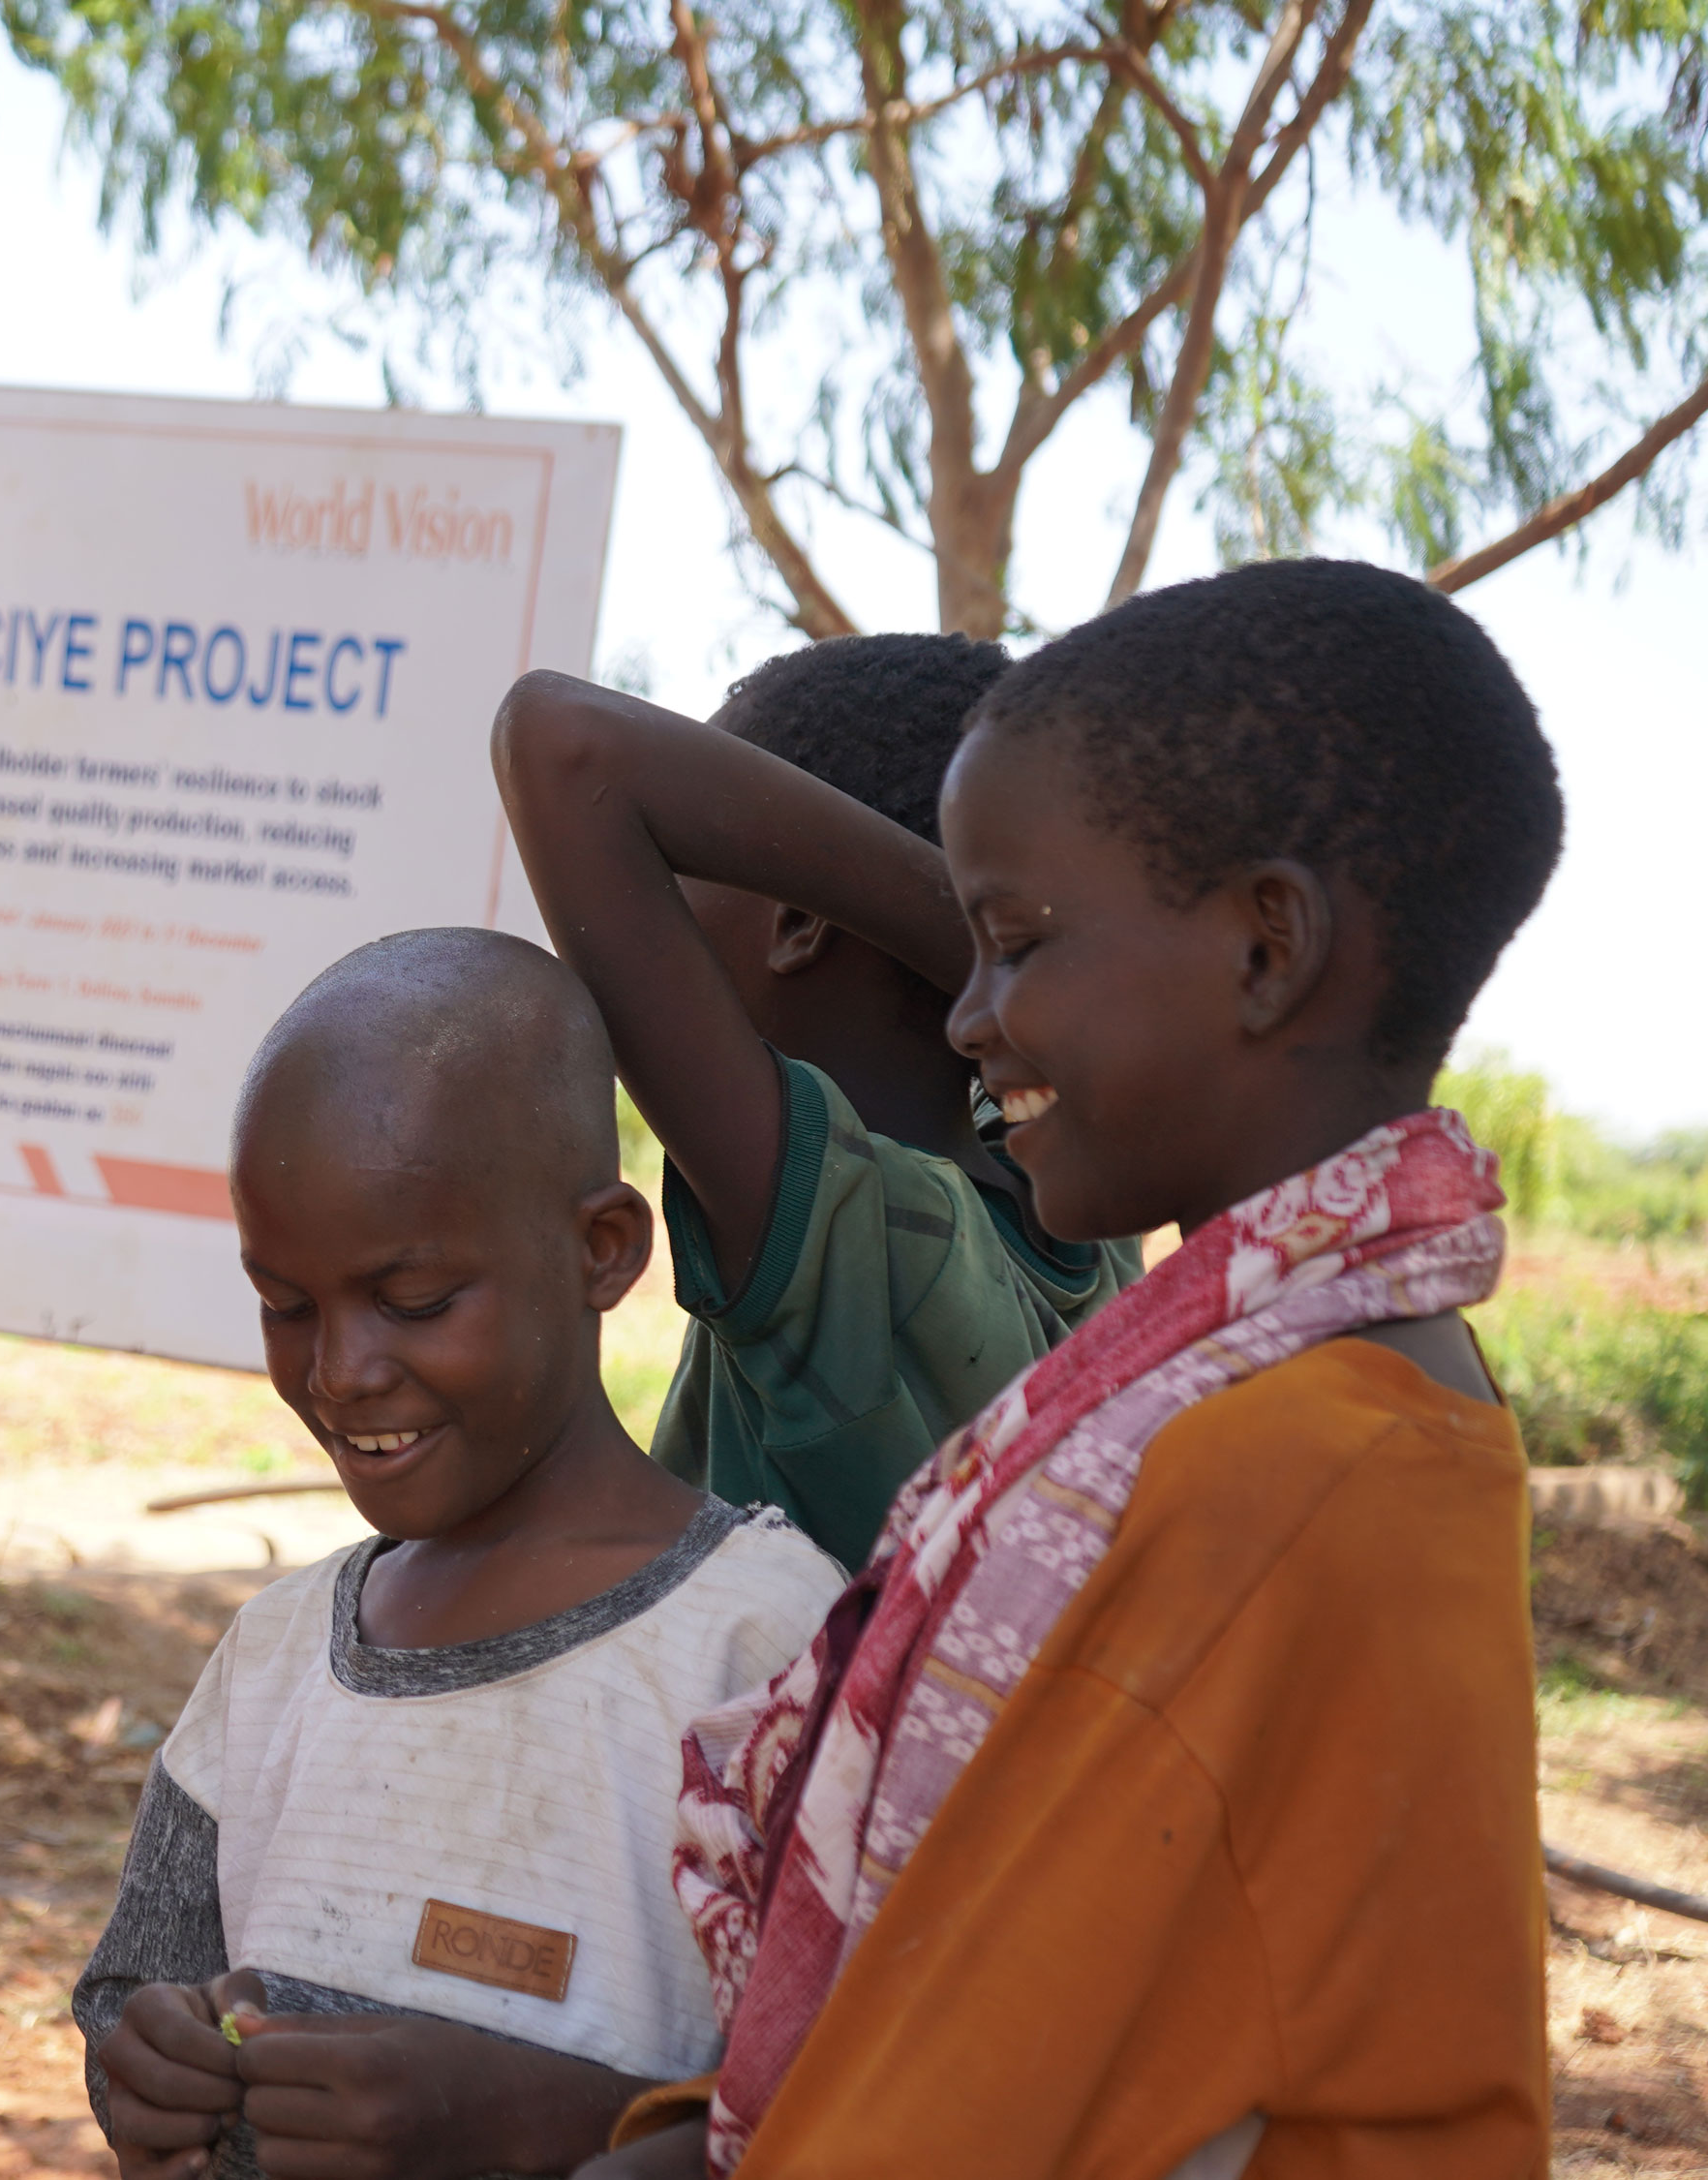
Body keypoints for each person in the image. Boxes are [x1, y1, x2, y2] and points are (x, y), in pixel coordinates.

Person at [580, 559, 1559, 2178]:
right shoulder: (1330, 1386)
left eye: (1016, 941)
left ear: (1267, 951)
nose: (969, 1016)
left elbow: (952, 2105)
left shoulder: (1288, 1470)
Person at [77, 930, 844, 2180]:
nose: (340, 1369)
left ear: (603, 1250)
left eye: (416, 1299)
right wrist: (149, 2063)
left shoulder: (757, 1645)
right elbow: (128, 1996)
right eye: (287, 1304)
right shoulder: (276, 1660)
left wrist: (544, 2126)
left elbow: (858, 2100)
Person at [493, 641, 1134, 1568]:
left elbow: (558, 744)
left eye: (677, 865)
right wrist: (1019, 970)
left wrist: (985, 956)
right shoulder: (1085, 1210)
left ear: (797, 915)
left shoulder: (851, 1238)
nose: (652, 906)